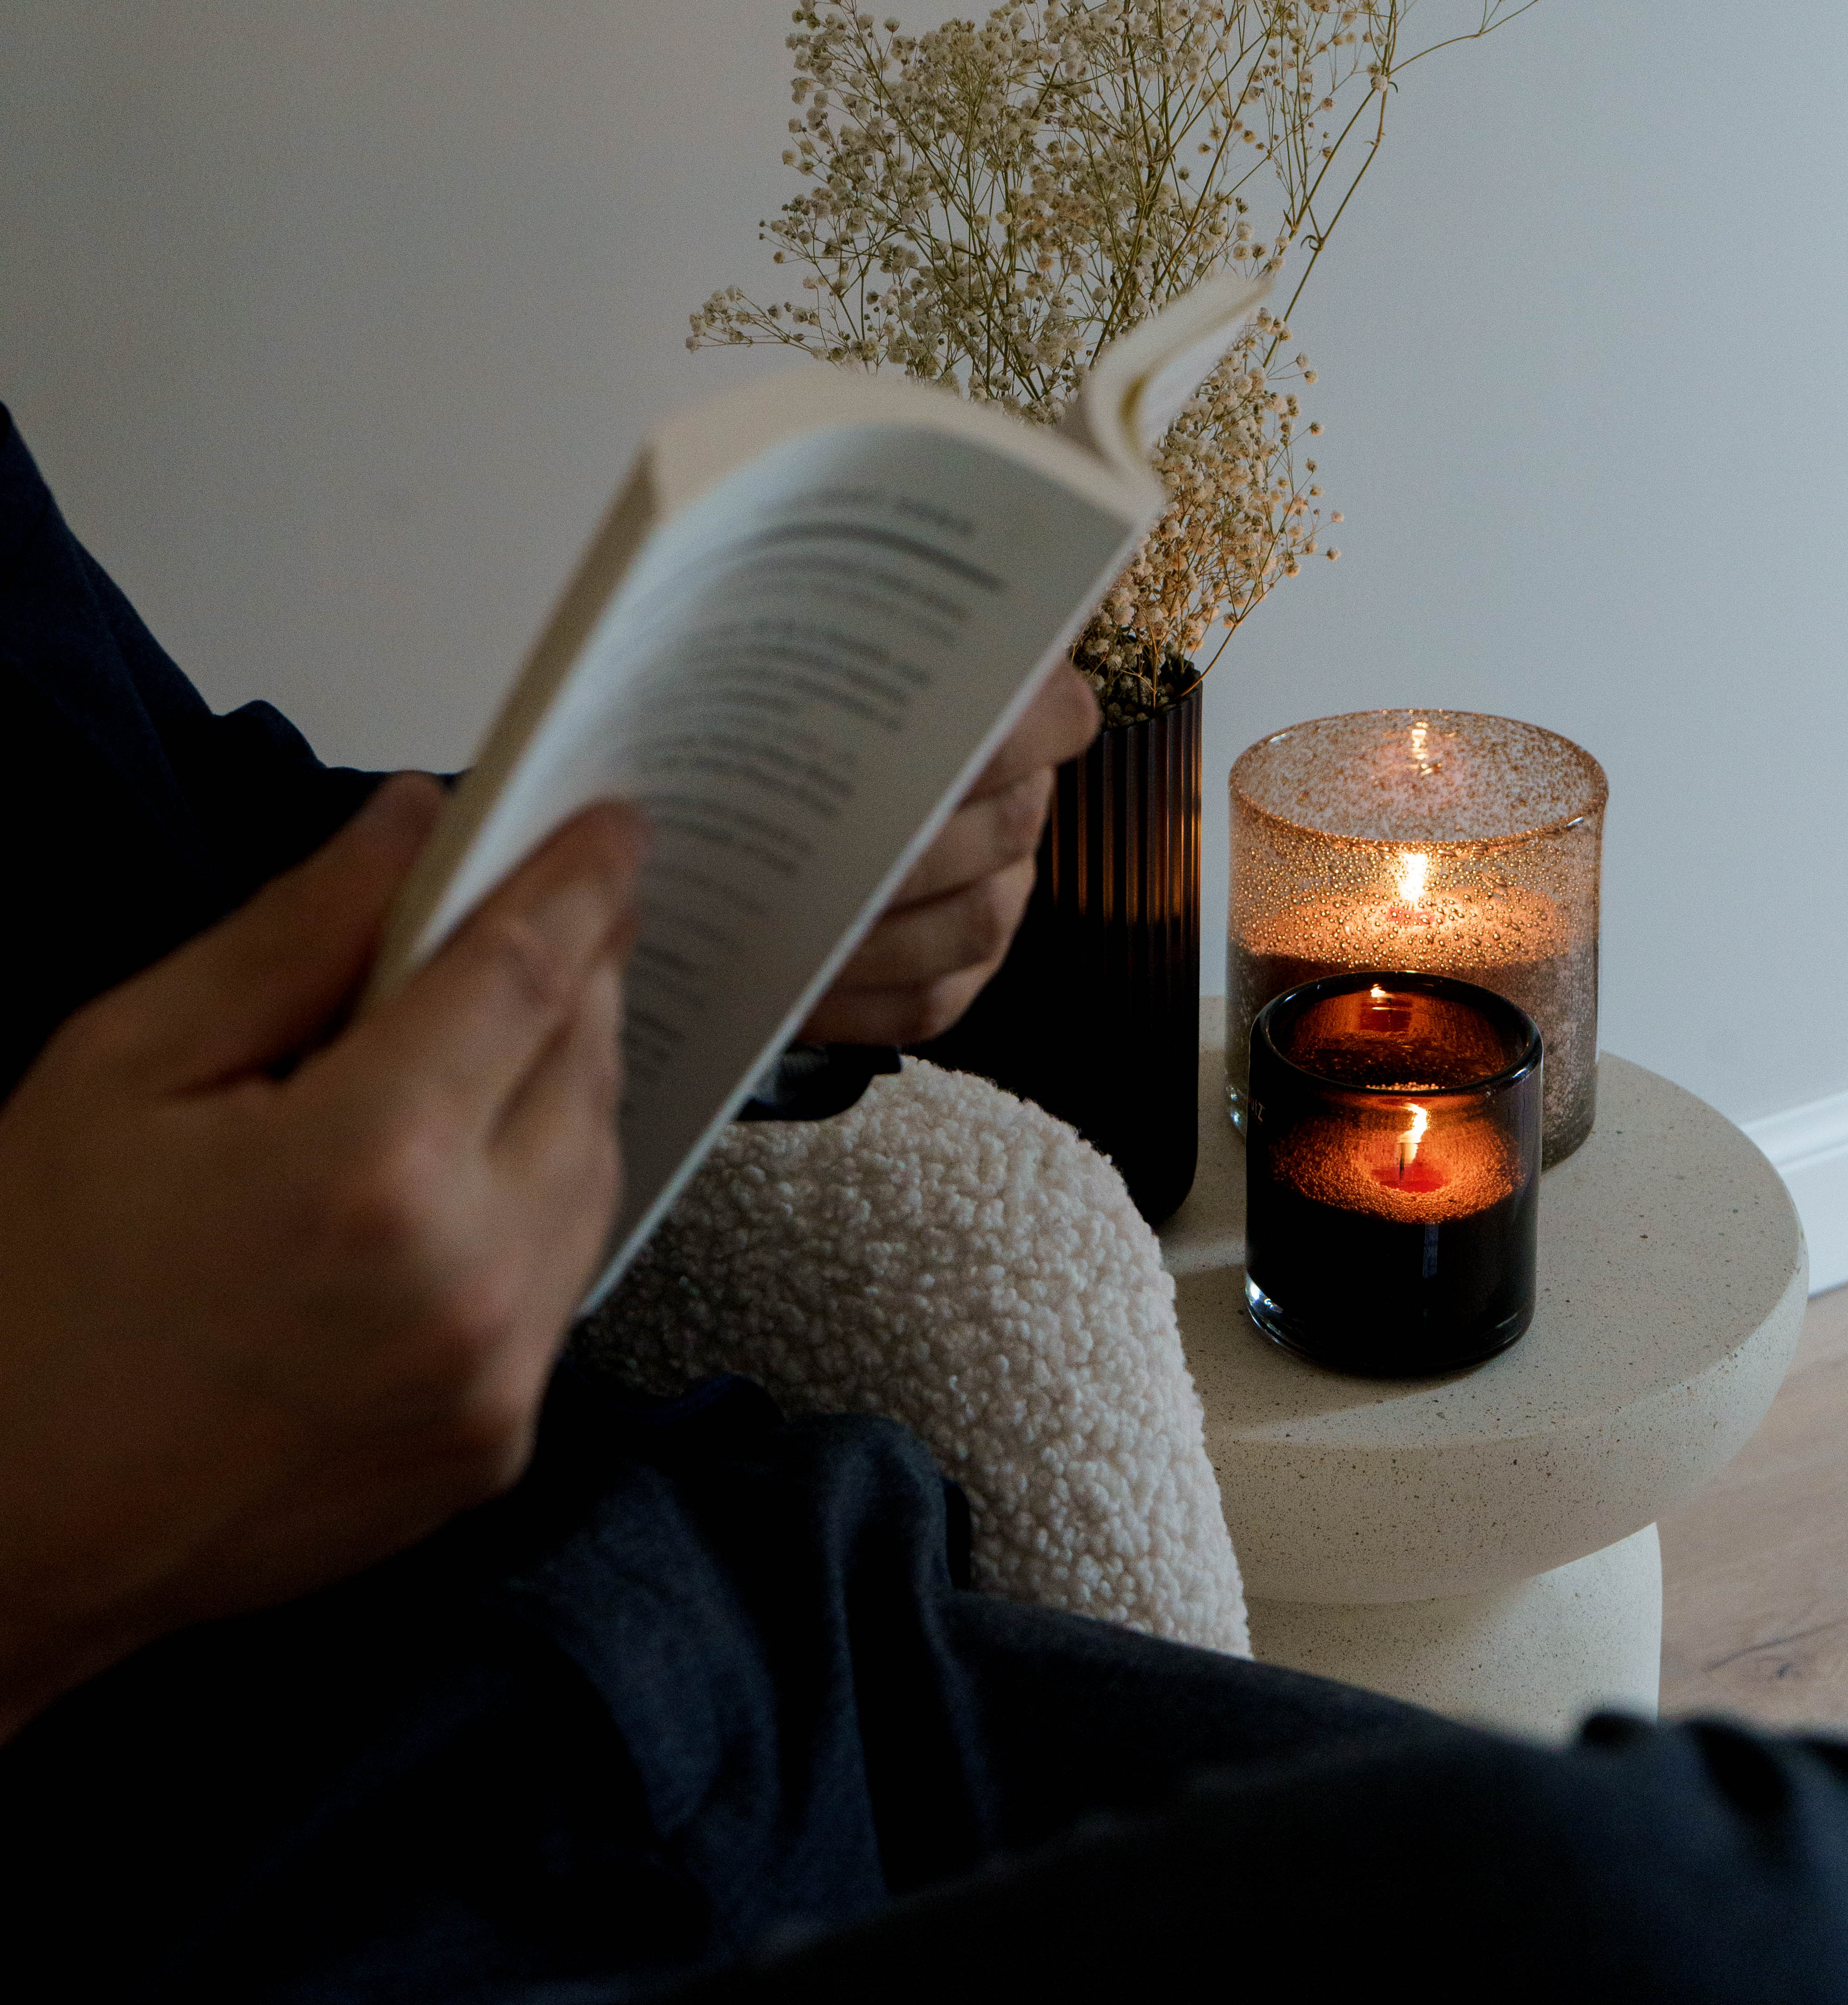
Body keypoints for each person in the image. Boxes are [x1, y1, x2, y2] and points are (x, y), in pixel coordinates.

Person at [3, 401, 1848, 2005]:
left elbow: (179, 848)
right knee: (1693, 1914)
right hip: (269, 1893)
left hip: (735, 1634)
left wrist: (709, 885)